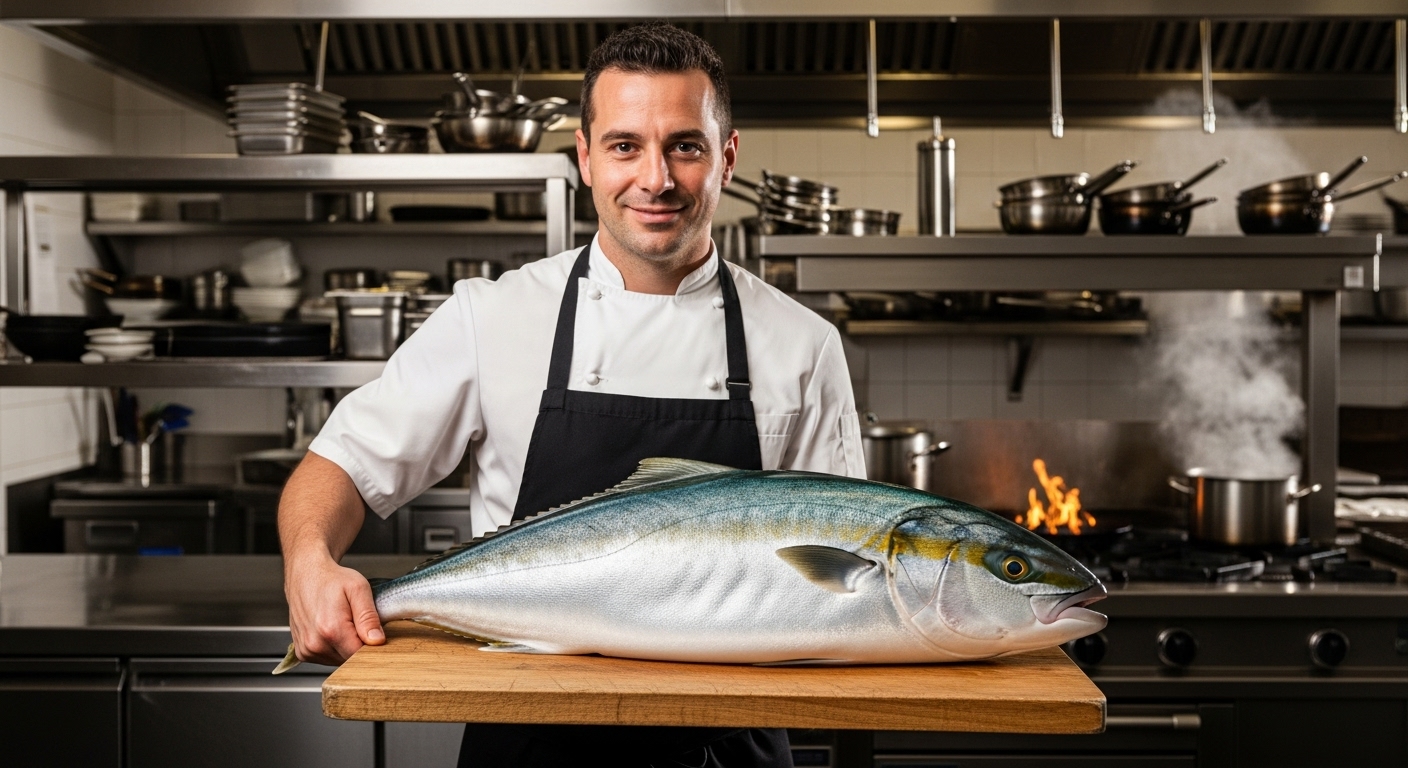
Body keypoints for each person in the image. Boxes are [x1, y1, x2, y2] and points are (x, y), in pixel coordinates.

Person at [279, 23, 865, 768]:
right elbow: (341, 466)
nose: (656, 179)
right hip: (525, 740)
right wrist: (308, 562)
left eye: (685, 146)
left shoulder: (804, 345)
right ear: (585, 157)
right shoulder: (492, 317)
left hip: (729, 748)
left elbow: (843, 575)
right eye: (625, 146)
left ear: (727, 155)